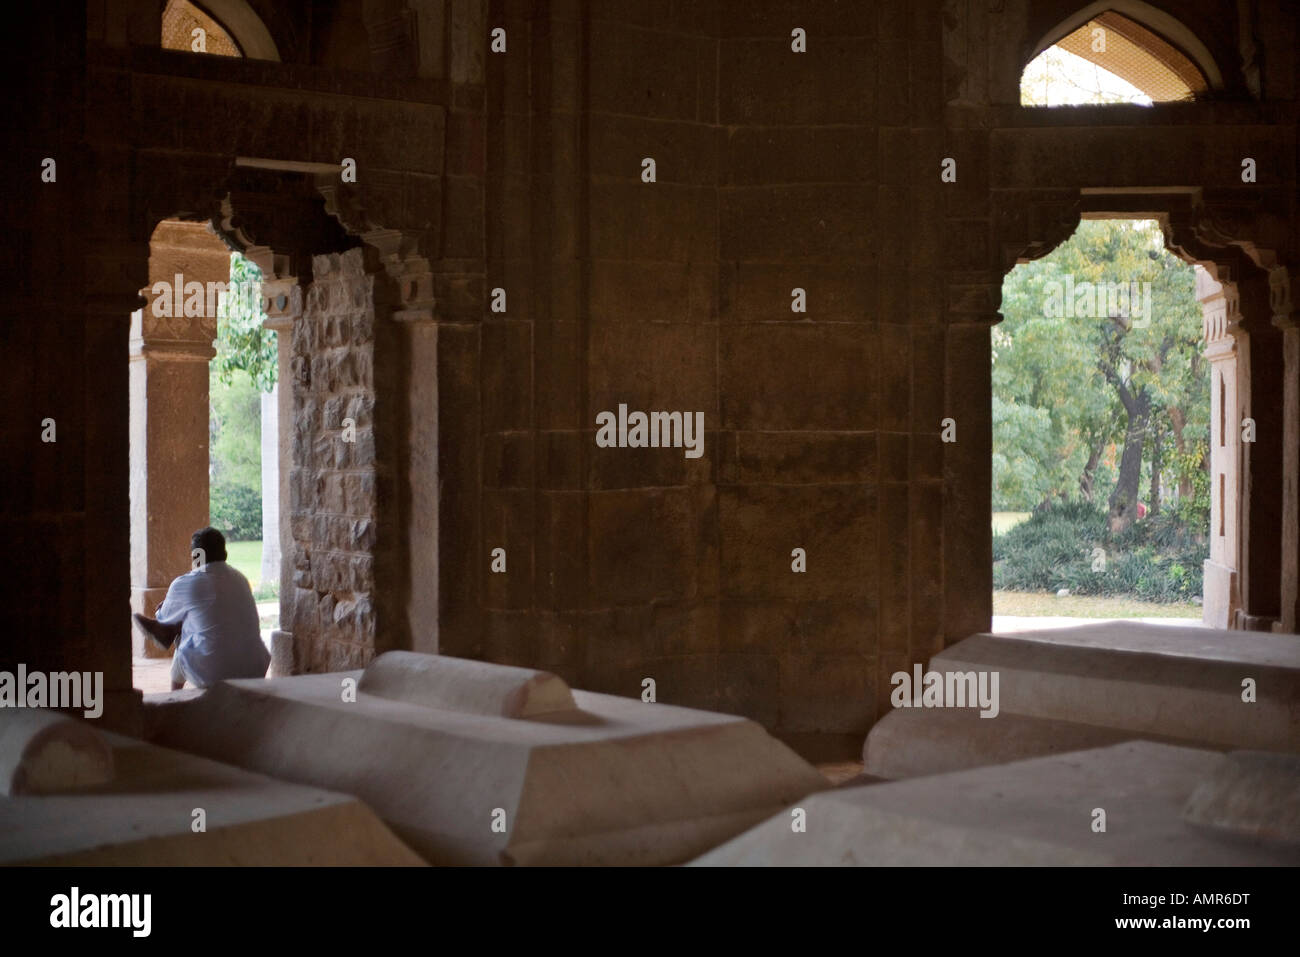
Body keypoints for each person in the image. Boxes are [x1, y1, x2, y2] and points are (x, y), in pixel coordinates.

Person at [132, 527, 270, 691]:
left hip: (216, 674)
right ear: (223, 552)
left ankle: (175, 694)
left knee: (185, 636)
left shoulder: (186, 583)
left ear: (196, 555)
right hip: (255, 669)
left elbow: (163, 617)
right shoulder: (240, 578)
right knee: (199, 620)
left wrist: (167, 614)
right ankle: (168, 632)